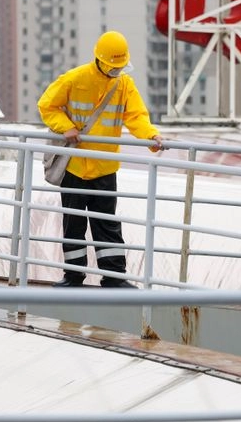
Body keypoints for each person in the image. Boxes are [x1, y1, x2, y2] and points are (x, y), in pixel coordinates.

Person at [37, 30, 165, 288]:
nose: (117, 71)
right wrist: (66, 127)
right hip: (75, 164)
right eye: (113, 67)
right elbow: (47, 105)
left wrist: (151, 136)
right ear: (100, 60)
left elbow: (136, 115)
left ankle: (114, 278)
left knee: (106, 224)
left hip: (104, 167)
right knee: (74, 223)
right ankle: (73, 276)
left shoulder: (124, 84)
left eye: (120, 67)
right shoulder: (75, 78)